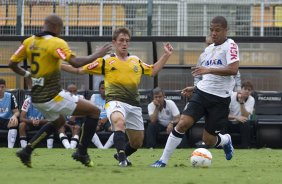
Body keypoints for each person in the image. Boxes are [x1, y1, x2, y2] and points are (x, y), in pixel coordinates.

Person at [9, 14, 112, 168]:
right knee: (94, 111)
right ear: (57, 28)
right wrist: (98, 54)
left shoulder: (29, 41)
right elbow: (76, 62)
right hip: (53, 96)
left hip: (37, 98)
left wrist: (28, 74)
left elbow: (12, 64)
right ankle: (82, 152)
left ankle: (27, 150)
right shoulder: (57, 43)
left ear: (44, 25)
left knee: (60, 121)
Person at [61, 27, 173, 167]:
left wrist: (166, 55)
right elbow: (78, 70)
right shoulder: (107, 60)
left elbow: (153, 70)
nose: (124, 43)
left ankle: (122, 154)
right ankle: (122, 160)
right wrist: (59, 65)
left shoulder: (135, 60)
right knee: (119, 122)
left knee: (137, 142)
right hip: (115, 100)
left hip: (133, 104)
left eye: (127, 41)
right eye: (121, 40)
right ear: (114, 42)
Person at [151, 16, 239, 167]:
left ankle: (225, 140)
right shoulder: (207, 51)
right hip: (202, 94)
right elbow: (208, 78)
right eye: (211, 30)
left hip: (220, 99)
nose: (214, 33)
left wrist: (209, 69)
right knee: (183, 123)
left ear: (226, 30)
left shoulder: (231, 45)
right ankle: (162, 160)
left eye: (217, 30)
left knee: (209, 140)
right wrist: (195, 88)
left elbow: (233, 69)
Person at [227, 81, 255, 148]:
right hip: (229, 122)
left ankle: (244, 146)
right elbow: (223, 115)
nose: (247, 91)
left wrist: (241, 103)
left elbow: (245, 116)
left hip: (241, 123)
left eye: (249, 90)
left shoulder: (251, 99)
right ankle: (222, 145)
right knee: (222, 121)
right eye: (245, 89)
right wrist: (236, 117)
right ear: (241, 89)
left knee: (246, 123)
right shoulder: (231, 96)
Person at [58, 84, 84, 149]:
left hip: (77, 121)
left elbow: (86, 112)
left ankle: (72, 147)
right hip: (64, 121)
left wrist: (74, 116)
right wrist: (66, 123)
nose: (72, 93)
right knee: (60, 128)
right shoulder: (61, 98)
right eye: (70, 91)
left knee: (77, 128)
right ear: (66, 92)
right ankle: (67, 146)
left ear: (77, 91)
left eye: (74, 91)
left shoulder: (81, 98)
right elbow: (57, 112)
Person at [90, 80, 113, 149]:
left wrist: (105, 119)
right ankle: (100, 147)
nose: (104, 90)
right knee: (89, 129)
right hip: (96, 119)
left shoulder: (111, 98)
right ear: (99, 89)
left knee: (118, 129)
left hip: (108, 120)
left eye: (106, 88)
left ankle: (105, 148)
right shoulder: (94, 97)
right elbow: (91, 110)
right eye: (102, 88)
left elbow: (113, 111)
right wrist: (97, 120)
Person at [0, 78, 20, 148]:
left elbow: (17, 112)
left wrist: (14, 116)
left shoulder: (11, 96)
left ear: (5, 87)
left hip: (7, 120)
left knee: (14, 122)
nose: (0, 89)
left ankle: (10, 148)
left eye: (2, 87)